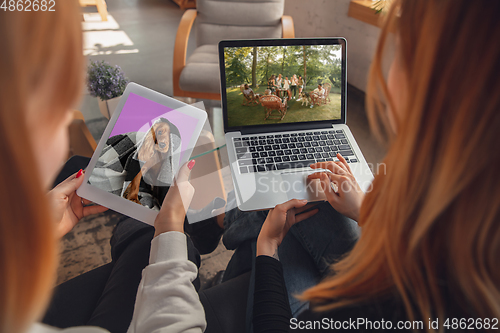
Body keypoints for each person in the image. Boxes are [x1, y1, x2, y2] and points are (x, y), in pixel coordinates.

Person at [250, 0, 500, 331]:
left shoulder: (381, 308)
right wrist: (366, 210)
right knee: (317, 194)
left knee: (274, 213)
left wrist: (265, 248)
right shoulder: (469, 232)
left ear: (434, 86)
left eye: (403, 51)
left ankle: (236, 222)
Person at [0, 3, 206, 333]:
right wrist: (169, 225)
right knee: (171, 246)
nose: (69, 117)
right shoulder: (123, 152)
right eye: (57, 105)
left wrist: (27, 241)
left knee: (143, 239)